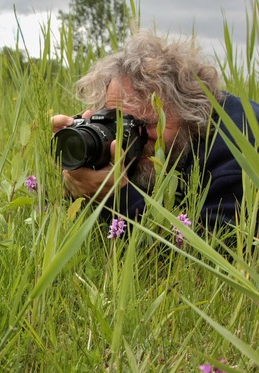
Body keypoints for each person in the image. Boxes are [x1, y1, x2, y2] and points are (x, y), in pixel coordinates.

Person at [51, 30, 259, 227]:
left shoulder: (236, 153)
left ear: (190, 111)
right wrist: (84, 162)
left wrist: (117, 197)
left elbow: (208, 255)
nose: (134, 138)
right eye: (122, 121)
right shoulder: (154, 146)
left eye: (151, 124)